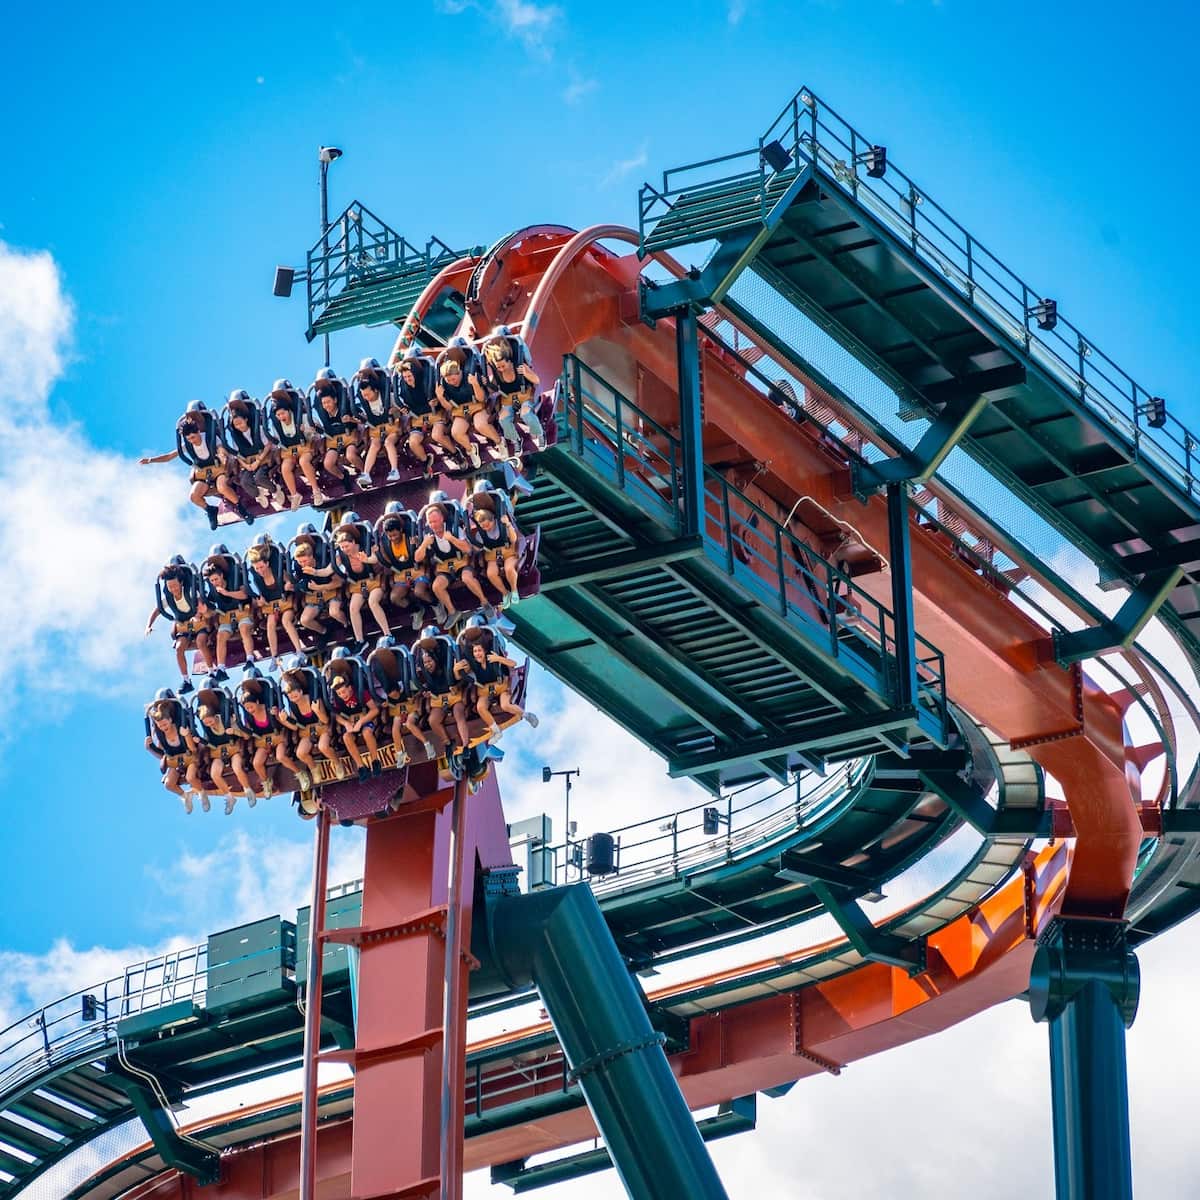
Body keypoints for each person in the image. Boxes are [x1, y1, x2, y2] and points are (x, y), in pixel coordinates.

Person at [139, 402, 252, 529]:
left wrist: (222, 456)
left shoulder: (209, 438)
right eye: (189, 439)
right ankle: (210, 510)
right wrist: (150, 460)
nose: (192, 441)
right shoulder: (188, 444)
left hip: (219, 469)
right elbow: (169, 456)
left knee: (222, 487)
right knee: (193, 496)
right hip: (204, 474)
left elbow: (221, 449)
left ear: (198, 431)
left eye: (193, 437)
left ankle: (241, 508)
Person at [416, 492, 489, 628]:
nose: (433, 525)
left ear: (442, 519)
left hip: (461, 561)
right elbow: (417, 558)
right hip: (444, 566)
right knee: (436, 586)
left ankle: (484, 601)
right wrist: (424, 545)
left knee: (467, 578)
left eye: (435, 521)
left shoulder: (453, 528)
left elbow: (467, 549)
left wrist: (451, 539)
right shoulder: (428, 535)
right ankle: (452, 611)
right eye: (430, 522)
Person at [458, 617, 538, 741]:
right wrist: (456, 669)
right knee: (480, 707)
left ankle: (527, 715)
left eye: (479, 651)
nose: (477, 654)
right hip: (485, 689)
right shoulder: (473, 665)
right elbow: (462, 675)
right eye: (475, 651)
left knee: (505, 705)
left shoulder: (492, 658)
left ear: (484, 651)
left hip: (501, 686)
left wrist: (498, 659)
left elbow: (513, 663)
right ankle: (496, 731)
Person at [145, 557, 213, 692]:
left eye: (175, 586)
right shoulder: (169, 597)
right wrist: (149, 625)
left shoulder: (190, 592)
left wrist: (198, 615)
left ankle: (212, 671)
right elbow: (157, 610)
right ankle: (186, 680)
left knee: (200, 642)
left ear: (181, 583)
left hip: (199, 623)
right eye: (170, 587)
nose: (173, 589)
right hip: (184, 625)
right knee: (179, 648)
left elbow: (201, 604)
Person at [236, 670, 307, 796]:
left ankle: (299, 773)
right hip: (263, 741)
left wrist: (279, 717)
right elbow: (247, 735)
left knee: (280, 757)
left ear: (257, 702)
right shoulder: (249, 717)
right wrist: (237, 729)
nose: (250, 710)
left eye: (251, 707)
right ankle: (266, 781)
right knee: (256, 763)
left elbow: (287, 724)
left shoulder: (270, 709)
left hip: (278, 737)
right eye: (247, 708)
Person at [190, 686, 256, 814]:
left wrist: (234, 731)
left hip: (233, 749)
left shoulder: (227, 720)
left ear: (215, 716)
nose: (210, 724)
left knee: (237, 768)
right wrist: (200, 742)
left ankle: (248, 790)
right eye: (206, 723)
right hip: (219, 752)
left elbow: (246, 735)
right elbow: (209, 742)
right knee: (214, 774)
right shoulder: (208, 728)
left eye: (210, 721)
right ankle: (229, 797)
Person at [435, 341, 500, 469]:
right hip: (461, 410)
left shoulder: (470, 374)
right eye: (449, 380)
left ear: (459, 372)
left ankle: (499, 442)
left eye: (453, 379)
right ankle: (471, 449)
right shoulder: (446, 383)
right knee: (456, 432)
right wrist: (441, 397)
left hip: (476, 405)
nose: (452, 382)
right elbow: (449, 407)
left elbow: (481, 398)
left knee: (480, 425)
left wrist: (475, 384)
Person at [411, 625, 471, 759]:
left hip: (454, 695)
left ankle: (466, 745)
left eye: (429, 662)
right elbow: (424, 685)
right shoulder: (424, 668)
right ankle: (447, 742)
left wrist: (457, 682)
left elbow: (463, 677)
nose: (427, 665)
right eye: (425, 663)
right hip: (438, 698)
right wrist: (426, 692)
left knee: (459, 714)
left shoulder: (447, 656)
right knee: (433, 720)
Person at [332, 516, 390, 650]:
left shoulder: (366, 545)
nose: (345, 549)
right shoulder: (342, 554)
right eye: (342, 547)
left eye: (347, 546)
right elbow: (330, 569)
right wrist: (315, 572)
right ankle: (360, 640)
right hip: (358, 584)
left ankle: (387, 634)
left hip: (373, 580)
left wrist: (366, 560)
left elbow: (375, 559)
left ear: (353, 542)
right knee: (353, 608)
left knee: (372, 602)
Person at [484, 328, 545, 454]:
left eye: (503, 366)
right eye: (498, 367)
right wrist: (486, 384)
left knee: (525, 414)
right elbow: (492, 389)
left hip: (524, 395)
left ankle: (539, 433)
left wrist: (526, 374)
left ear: (509, 361)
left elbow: (537, 380)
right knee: (503, 419)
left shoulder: (520, 365)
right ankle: (515, 440)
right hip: (508, 399)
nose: (501, 369)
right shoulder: (498, 372)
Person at [244, 535, 303, 666]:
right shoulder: (256, 576)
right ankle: (274, 656)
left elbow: (289, 579)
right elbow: (254, 593)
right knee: (270, 623)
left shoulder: (277, 567)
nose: (260, 571)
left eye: (261, 567)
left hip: (285, 601)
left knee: (286, 621)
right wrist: (259, 600)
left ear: (267, 563)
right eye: (257, 568)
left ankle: (299, 651)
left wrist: (289, 584)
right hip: (271, 605)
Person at [222, 390, 284, 512]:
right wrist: (246, 465)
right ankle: (258, 494)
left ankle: (275, 490)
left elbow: (268, 445)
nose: (239, 427)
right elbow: (237, 454)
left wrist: (258, 461)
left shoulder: (257, 428)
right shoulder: (237, 436)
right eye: (236, 425)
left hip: (264, 458)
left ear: (246, 419)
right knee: (244, 481)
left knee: (259, 477)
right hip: (249, 462)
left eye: (240, 423)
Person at [375, 503, 434, 630]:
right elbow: (386, 562)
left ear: (401, 530)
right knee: (394, 597)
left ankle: (435, 604)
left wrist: (418, 545)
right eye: (390, 536)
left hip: (417, 569)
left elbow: (424, 557)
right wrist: (378, 552)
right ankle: (417, 610)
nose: (393, 538)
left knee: (419, 592)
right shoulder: (385, 543)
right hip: (401, 574)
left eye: (395, 535)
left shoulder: (411, 536)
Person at [266, 378, 324, 508]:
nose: (281, 417)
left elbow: (317, 430)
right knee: (285, 468)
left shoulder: (302, 418)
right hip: (290, 451)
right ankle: (295, 494)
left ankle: (316, 490)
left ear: (289, 411)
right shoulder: (277, 426)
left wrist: (307, 430)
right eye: (278, 415)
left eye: (283, 414)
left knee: (304, 462)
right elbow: (278, 440)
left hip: (306, 446)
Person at [325, 651, 383, 781]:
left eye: (344, 691)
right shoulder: (339, 699)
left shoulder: (360, 693)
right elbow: (337, 716)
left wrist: (361, 722)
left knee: (367, 733)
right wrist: (346, 723)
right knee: (346, 737)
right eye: (339, 693)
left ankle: (375, 761)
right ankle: (361, 767)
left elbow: (374, 710)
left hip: (364, 718)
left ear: (350, 688)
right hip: (351, 722)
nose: (342, 695)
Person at [277, 663, 340, 781]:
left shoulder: (313, 699)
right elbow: (295, 727)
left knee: (323, 747)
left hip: (321, 727)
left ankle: (337, 764)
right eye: (291, 698)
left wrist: (317, 711)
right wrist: (285, 721)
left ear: (301, 692)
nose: (294, 700)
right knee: (300, 753)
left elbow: (325, 720)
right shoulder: (294, 706)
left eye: (295, 696)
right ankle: (314, 769)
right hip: (307, 731)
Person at [466, 480, 523, 608]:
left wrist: (508, 524)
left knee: (509, 568)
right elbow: (478, 548)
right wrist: (469, 539)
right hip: (492, 554)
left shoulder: (501, 524)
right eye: (483, 526)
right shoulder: (481, 533)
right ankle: (505, 593)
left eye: (488, 525)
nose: (486, 528)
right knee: (491, 573)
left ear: (493, 520)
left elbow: (513, 539)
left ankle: (514, 590)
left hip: (508, 550)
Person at [200, 546, 256, 675]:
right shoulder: (213, 588)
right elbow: (211, 609)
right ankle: (221, 668)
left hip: (242, 610)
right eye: (212, 581)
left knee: (243, 629)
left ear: (222, 575)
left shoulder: (235, 577)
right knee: (220, 636)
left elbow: (244, 595)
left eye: (216, 579)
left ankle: (250, 659)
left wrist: (227, 593)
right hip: (226, 615)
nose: (215, 582)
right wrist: (205, 610)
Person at [144, 690, 203, 813]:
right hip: (176, 760)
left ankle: (202, 794)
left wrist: (187, 735)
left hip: (190, 755)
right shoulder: (161, 733)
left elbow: (193, 747)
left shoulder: (180, 722)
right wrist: (149, 748)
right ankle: (185, 796)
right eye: (161, 726)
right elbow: (162, 754)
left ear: (170, 719)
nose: (163, 728)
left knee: (190, 777)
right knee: (168, 784)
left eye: (165, 724)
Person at [308, 367, 364, 492]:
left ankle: (365, 472)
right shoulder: (324, 413)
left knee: (350, 456)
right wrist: (315, 428)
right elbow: (323, 430)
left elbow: (363, 420)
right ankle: (343, 477)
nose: (326, 405)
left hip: (349, 436)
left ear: (335, 400)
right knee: (328, 463)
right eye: (324, 403)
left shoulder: (346, 406)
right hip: (334, 440)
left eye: (328, 402)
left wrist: (351, 419)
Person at [352, 358, 404, 486]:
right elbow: (365, 418)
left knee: (388, 442)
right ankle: (366, 474)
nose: (366, 398)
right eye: (364, 395)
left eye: (368, 394)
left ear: (375, 390)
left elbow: (401, 410)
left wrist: (395, 410)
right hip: (377, 429)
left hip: (392, 426)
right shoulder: (365, 403)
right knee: (374, 444)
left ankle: (394, 470)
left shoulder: (388, 397)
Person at [289, 525, 347, 640]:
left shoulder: (325, 560)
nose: (303, 564)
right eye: (300, 562)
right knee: (305, 620)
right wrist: (294, 586)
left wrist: (319, 587)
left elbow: (338, 582)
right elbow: (295, 583)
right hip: (315, 597)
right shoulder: (299, 567)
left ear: (311, 556)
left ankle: (346, 625)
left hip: (332, 593)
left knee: (334, 612)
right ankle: (325, 632)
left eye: (305, 561)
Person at [368, 636, 417, 767]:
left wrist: (407, 690)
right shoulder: (377, 665)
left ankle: (425, 744)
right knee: (396, 726)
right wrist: (386, 698)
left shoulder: (402, 654)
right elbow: (387, 689)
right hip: (395, 702)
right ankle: (399, 753)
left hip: (410, 695)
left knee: (409, 721)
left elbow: (411, 679)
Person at [391, 349, 441, 476]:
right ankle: (426, 461)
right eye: (405, 377)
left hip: (434, 413)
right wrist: (403, 409)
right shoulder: (404, 387)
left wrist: (436, 401)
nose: (407, 379)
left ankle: (455, 452)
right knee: (413, 442)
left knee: (438, 434)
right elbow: (402, 402)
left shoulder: (428, 377)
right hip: (418, 417)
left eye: (409, 376)